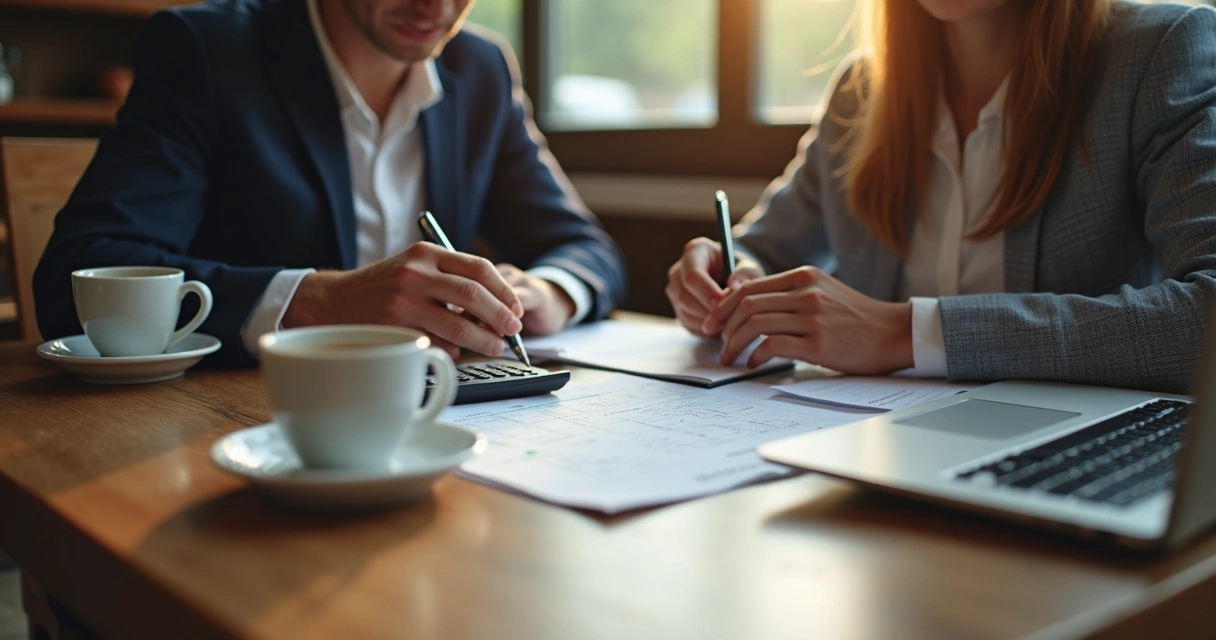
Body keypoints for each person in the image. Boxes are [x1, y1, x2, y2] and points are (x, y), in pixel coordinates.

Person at [33, 0, 627, 366]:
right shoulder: (208, 51)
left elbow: (586, 250)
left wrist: (547, 294)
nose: (435, 5)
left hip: (447, 426)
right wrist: (319, 301)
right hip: (238, 432)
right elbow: (76, 277)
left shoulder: (481, 69)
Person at [666, 0, 1216, 394]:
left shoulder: (1160, 51)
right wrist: (729, 274)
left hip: (1066, 461)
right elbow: (769, 250)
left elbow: (1206, 314)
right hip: (870, 452)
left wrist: (903, 332)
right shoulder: (861, 90)